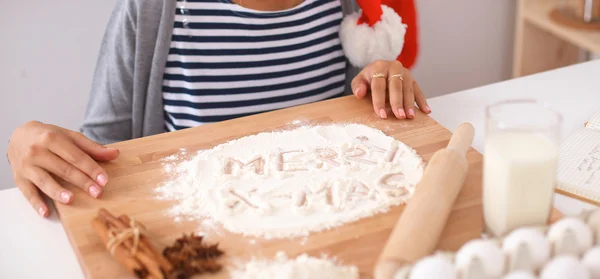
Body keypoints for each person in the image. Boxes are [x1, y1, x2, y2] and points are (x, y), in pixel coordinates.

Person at [7, 0, 430, 217]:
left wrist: (384, 81)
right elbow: (103, 147)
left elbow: (359, 123)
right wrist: (34, 147)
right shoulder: (154, 11)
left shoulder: (347, 9)